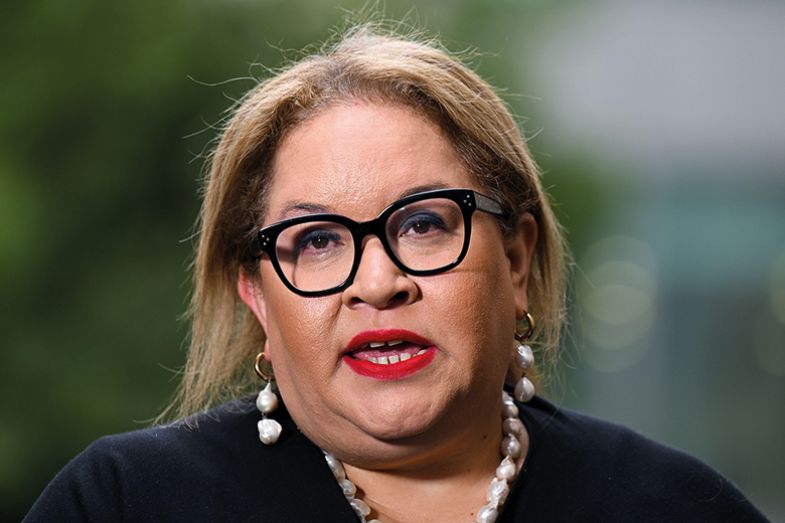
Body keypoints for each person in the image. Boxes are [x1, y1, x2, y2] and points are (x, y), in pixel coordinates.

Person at [25, 25, 767, 523]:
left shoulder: (675, 506)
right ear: (255, 292)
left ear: (514, 260)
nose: (376, 283)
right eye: (314, 239)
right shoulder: (122, 503)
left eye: (422, 223)